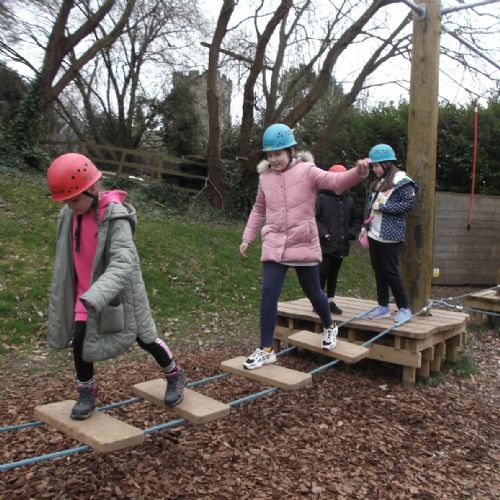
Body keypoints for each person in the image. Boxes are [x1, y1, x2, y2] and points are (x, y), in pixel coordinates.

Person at [46, 153, 186, 420]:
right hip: (85, 294)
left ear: (92, 189)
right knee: (80, 341)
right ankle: (86, 392)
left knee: (146, 338)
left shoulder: (115, 217)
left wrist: (98, 293)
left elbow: (123, 262)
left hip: (121, 295)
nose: (70, 206)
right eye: (66, 201)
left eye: (74, 200)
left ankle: (175, 373)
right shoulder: (69, 216)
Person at [239, 124, 370, 370]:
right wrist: (248, 237)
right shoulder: (265, 178)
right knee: (268, 293)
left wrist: (358, 173)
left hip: (302, 242)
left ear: (290, 151)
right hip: (275, 244)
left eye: (278, 154)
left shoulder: (307, 171)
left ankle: (329, 326)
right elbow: (259, 209)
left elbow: (334, 179)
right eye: (269, 155)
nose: (273, 159)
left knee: (314, 292)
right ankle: (266, 349)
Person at [363, 144, 418, 324]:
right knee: (378, 271)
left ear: (386, 163)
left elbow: (407, 205)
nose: (374, 169)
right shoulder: (378, 182)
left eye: (376, 166)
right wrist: (364, 227)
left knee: (391, 271)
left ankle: (404, 308)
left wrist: (384, 207)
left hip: (390, 236)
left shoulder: (403, 181)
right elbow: (369, 206)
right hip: (374, 234)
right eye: (373, 166)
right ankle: (383, 306)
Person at [315, 164, 359, 315]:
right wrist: (324, 233)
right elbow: (313, 218)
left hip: (341, 245)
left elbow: (355, 221)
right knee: (322, 273)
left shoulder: (349, 201)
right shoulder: (321, 198)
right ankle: (318, 303)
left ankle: (330, 301)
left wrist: (350, 234)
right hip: (324, 245)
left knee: (334, 274)